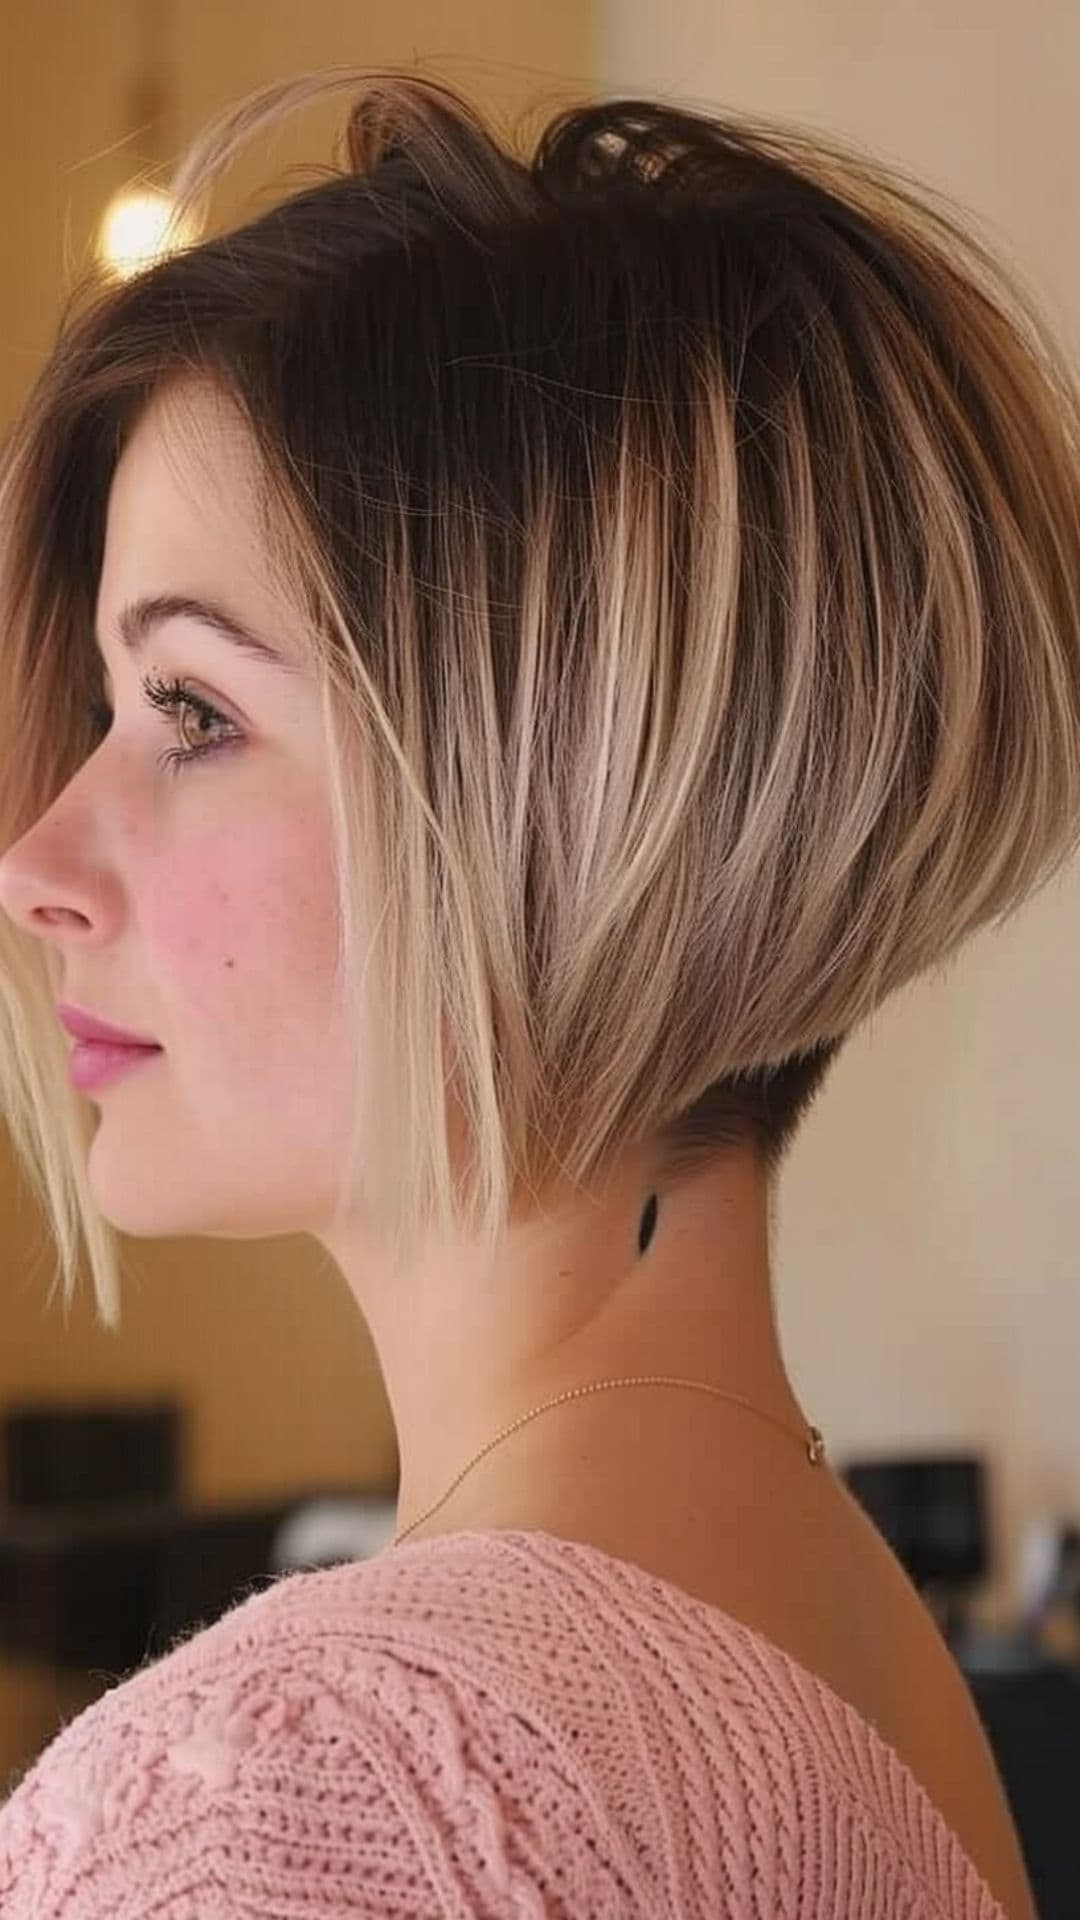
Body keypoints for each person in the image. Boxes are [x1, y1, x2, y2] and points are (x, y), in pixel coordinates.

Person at [0, 63, 1075, 1920]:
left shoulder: (294, 1808)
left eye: (194, 712)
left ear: (565, 808)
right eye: (109, 705)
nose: (38, 862)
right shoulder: (856, 1650)